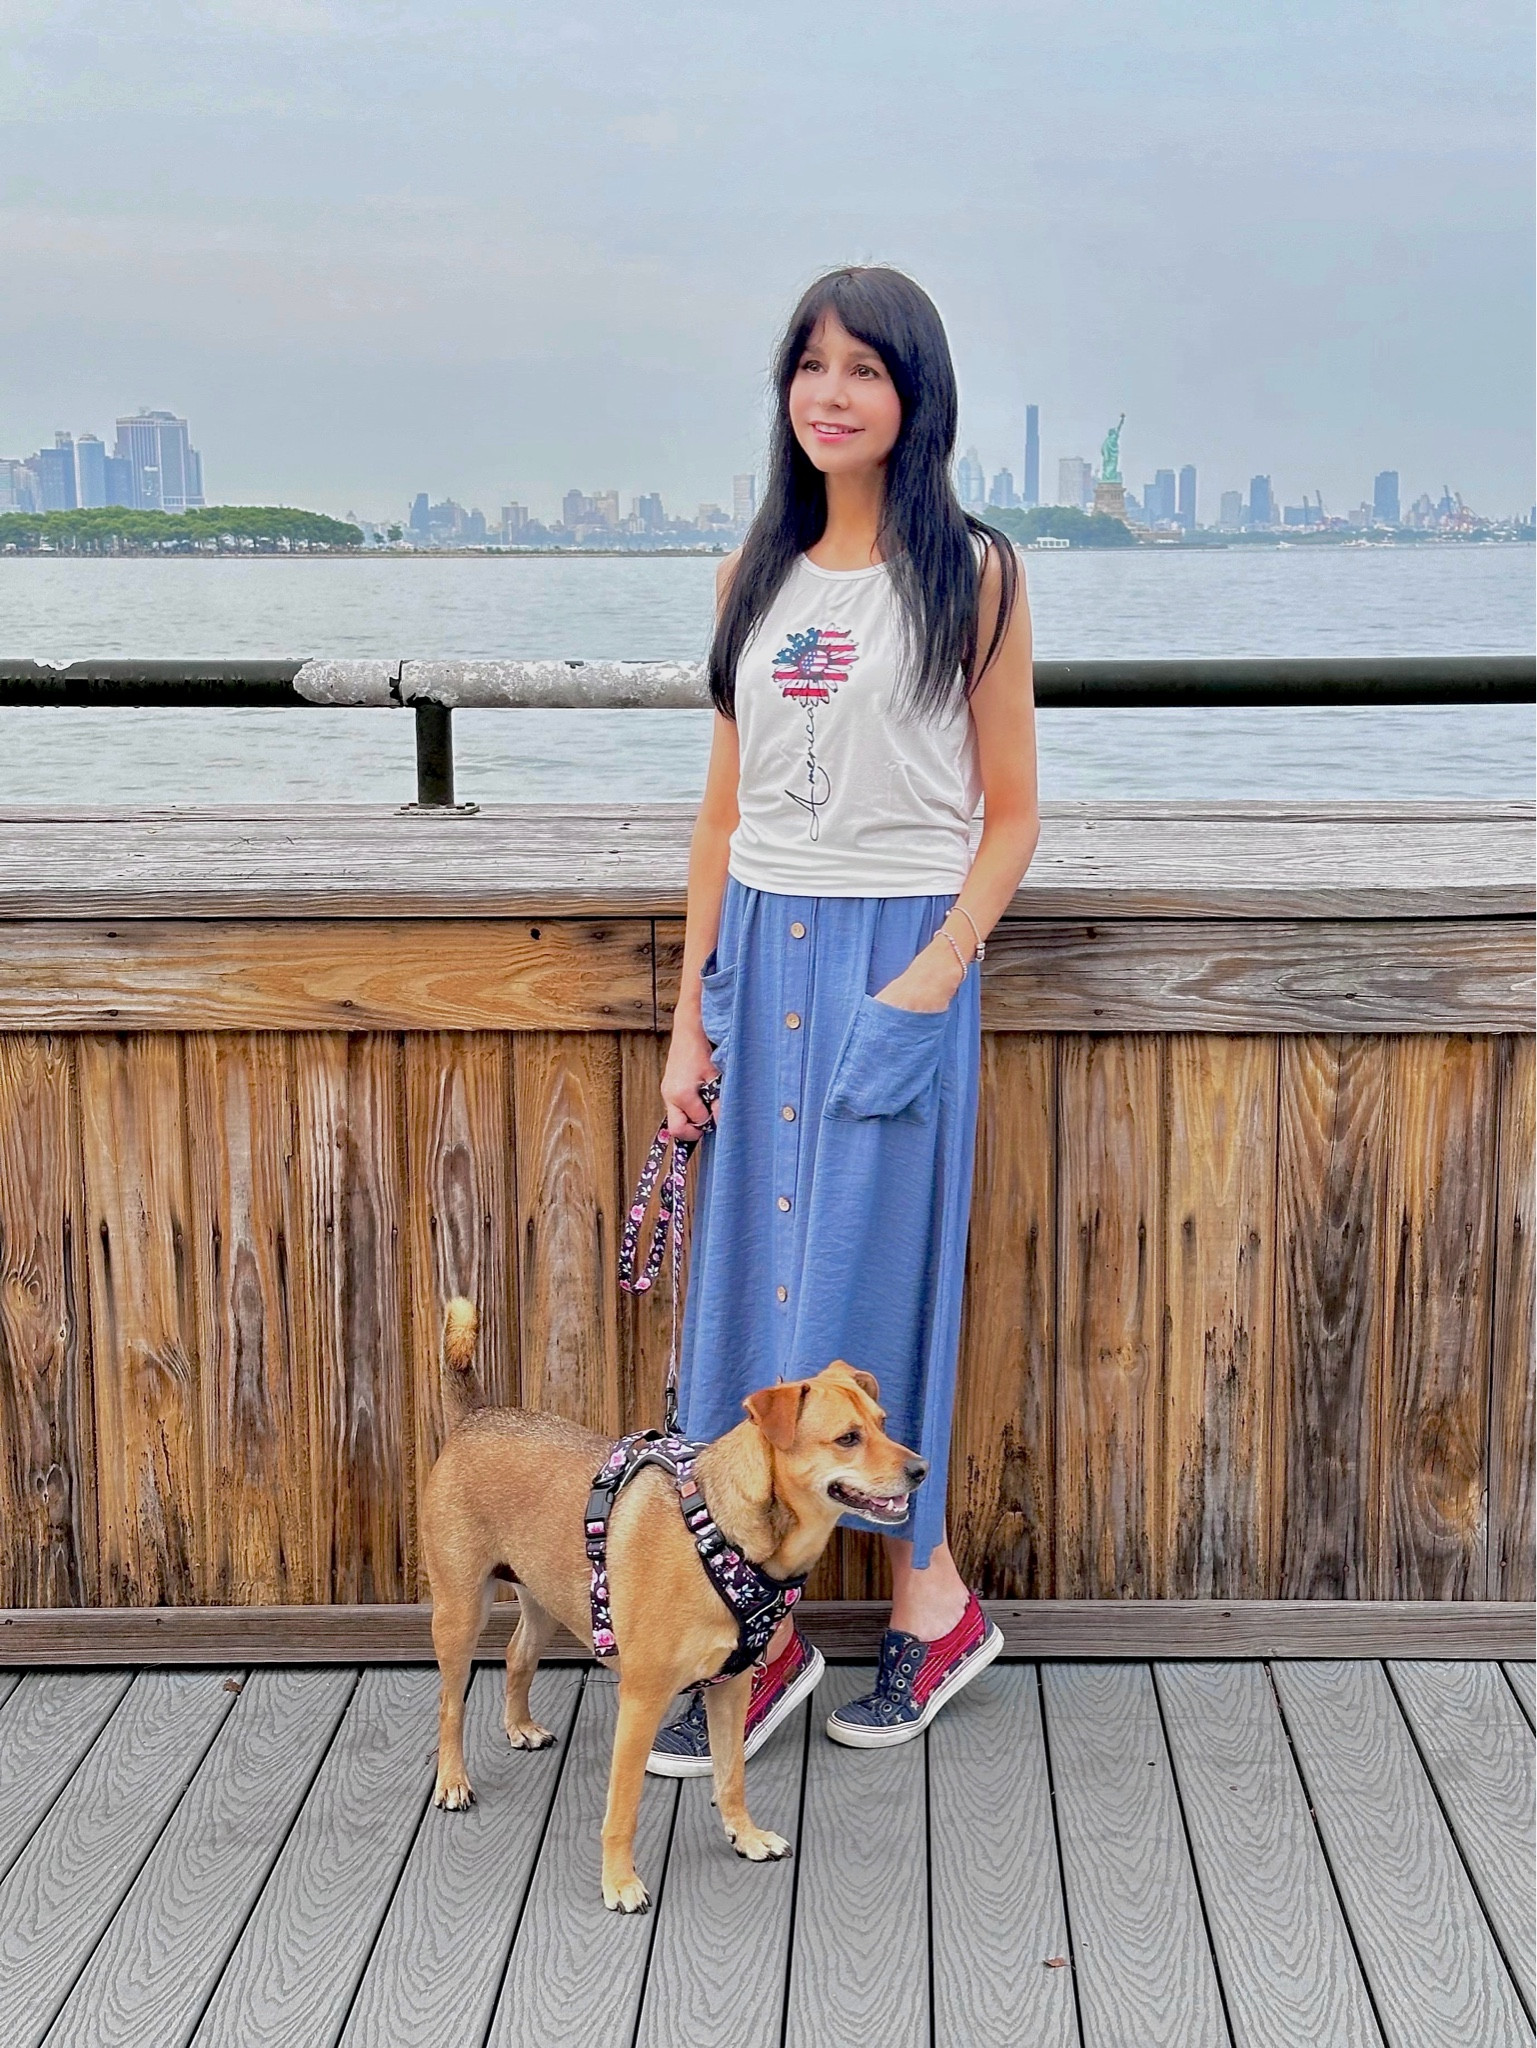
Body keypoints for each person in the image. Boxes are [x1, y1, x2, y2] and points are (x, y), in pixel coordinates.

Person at [645, 265, 1040, 1776]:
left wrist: (931, 974)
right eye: (808, 367)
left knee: (871, 1301)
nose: (829, 394)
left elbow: (1009, 818)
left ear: (912, 397)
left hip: (891, 961)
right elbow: (718, 816)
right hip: (762, 947)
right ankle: (769, 1624)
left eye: (861, 370)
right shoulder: (755, 567)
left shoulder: (976, 575)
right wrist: (690, 1018)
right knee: (746, 1300)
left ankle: (929, 1607)